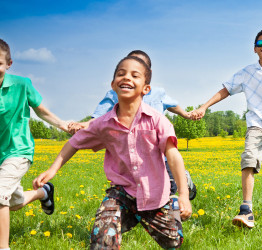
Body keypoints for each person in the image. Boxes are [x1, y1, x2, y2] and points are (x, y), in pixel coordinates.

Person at [33, 56, 192, 249]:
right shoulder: (103, 125)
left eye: (135, 75)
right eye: (121, 74)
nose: (126, 78)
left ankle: (173, 209)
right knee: (103, 236)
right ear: (113, 85)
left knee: (173, 241)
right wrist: (52, 170)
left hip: (155, 195)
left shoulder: (157, 121)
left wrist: (183, 194)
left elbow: (173, 156)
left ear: (146, 89)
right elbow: (74, 142)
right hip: (121, 193)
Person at [190, 29, 262, 229]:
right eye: (260, 43)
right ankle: (246, 209)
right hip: (256, 124)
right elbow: (225, 90)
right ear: (254, 49)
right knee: (249, 157)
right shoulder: (246, 72)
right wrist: (204, 106)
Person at [70, 50, 197, 201]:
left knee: (168, 190)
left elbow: (172, 105)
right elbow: (99, 118)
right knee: (134, 190)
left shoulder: (158, 92)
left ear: (148, 72)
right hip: (132, 154)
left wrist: (186, 114)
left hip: (159, 151)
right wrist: (83, 125)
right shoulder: (115, 93)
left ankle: (182, 181)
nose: (129, 75)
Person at [0, 38, 72, 250]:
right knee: (11, 203)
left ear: (9, 64)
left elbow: (41, 111)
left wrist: (63, 124)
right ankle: (44, 193)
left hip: (18, 150)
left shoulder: (22, 85)